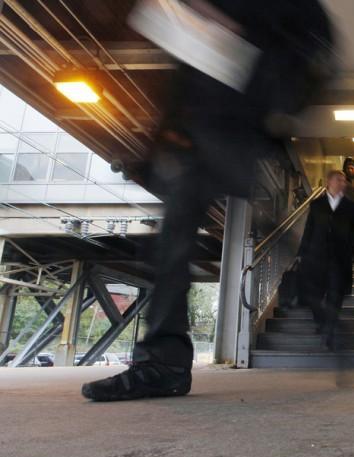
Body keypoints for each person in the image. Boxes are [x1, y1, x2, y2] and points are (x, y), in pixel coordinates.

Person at [81, 0, 337, 401]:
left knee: (258, 225)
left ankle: (312, 285)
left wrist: (245, 45)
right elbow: (183, 68)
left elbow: (315, 53)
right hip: (195, 126)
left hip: (240, 119)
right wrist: (160, 137)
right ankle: (163, 363)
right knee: (172, 241)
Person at [297, 170, 354, 349]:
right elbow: (309, 229)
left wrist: (352, 250)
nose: (343, 183)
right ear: (329, 182)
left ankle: (330, 332)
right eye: (339, 180)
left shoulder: (352, 207)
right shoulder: (317, 204)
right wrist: (301, 252)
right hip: (316, 258)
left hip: (339, 260)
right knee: (314, 296)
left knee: (335, 295)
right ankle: (322, 321)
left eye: (344, 180)